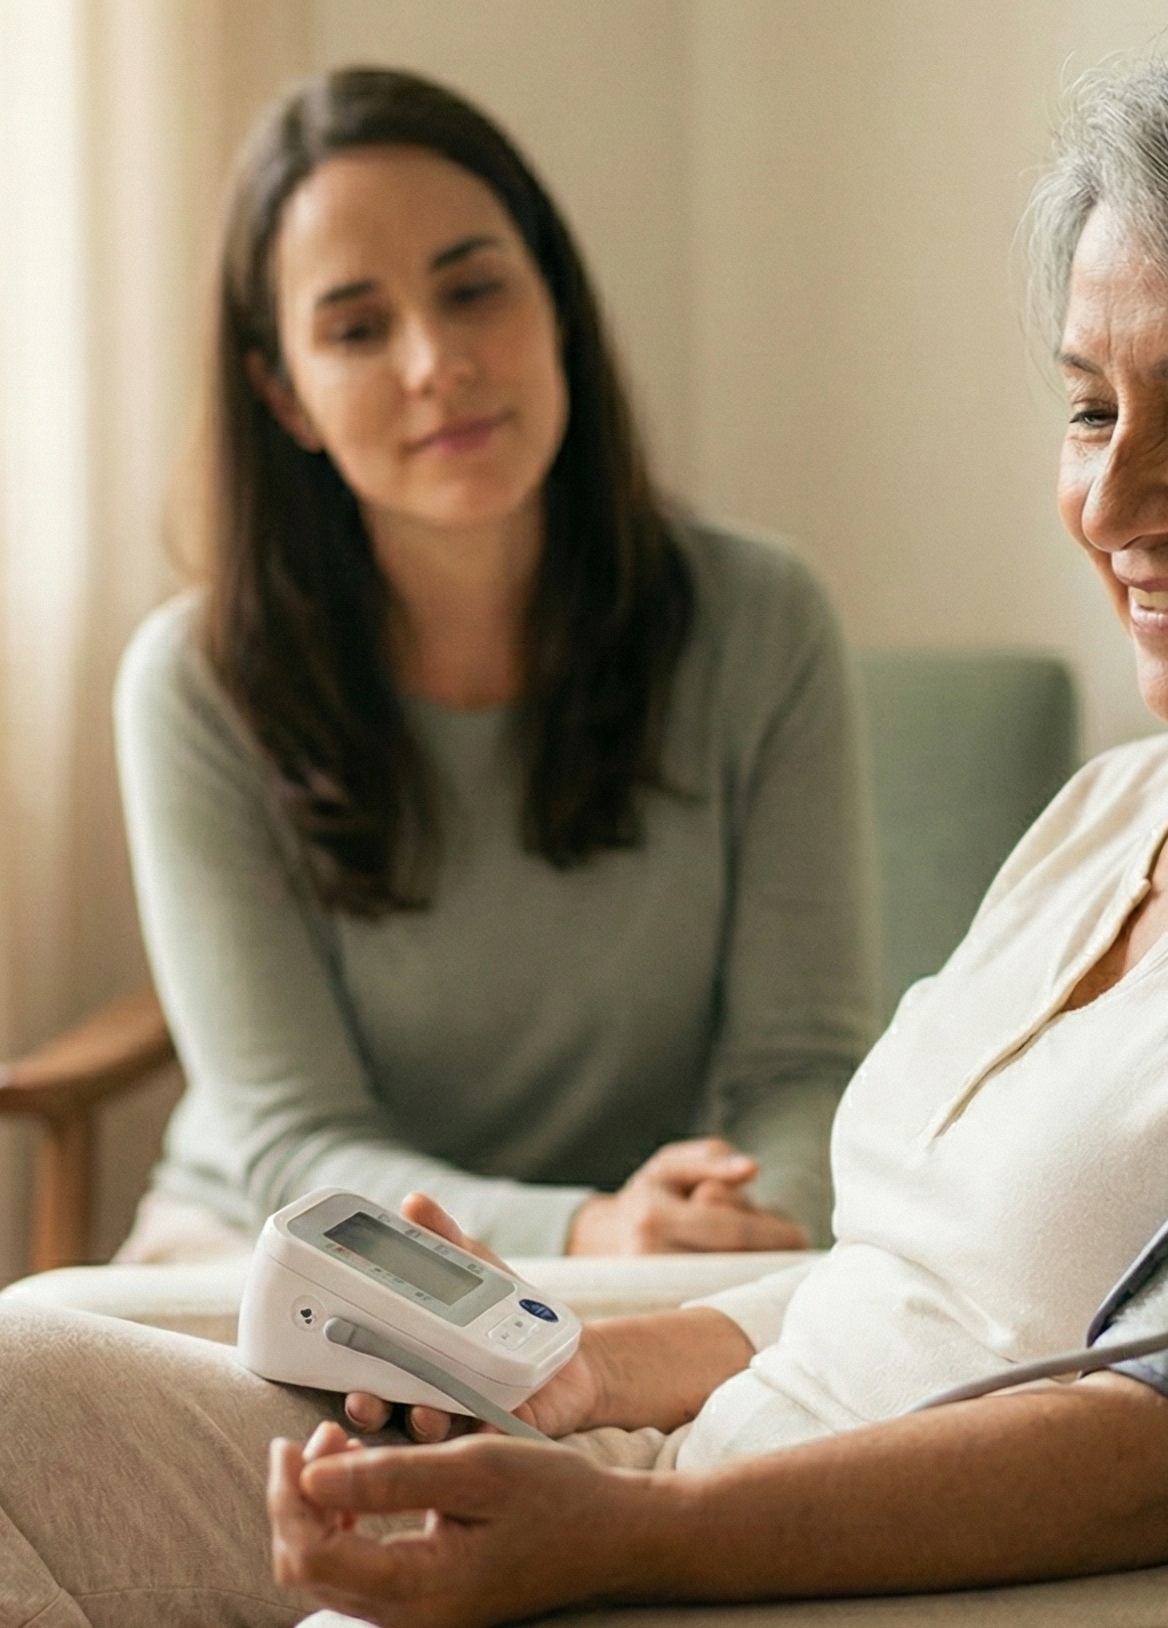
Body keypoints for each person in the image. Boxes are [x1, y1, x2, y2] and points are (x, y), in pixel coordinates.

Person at [0, 5, 1168, 1628]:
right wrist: (583, 1369)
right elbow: (899, 1283)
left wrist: (633, 1541)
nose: (1111, 501)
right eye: (1087, 410)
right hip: (723, 1467)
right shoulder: (1133, 804)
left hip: (900, 1584)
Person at [111, 67, 874, 1262]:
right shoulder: (194, 686)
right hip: (283, 1247)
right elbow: (293, 1143)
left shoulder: (762, 620)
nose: (437, 362)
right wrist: (582, 1231)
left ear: (555, 306)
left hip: (636, 1264)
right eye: (357, 328)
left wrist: (755, 1221)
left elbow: (803, 1067)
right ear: (285, 397)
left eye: (474, 292)